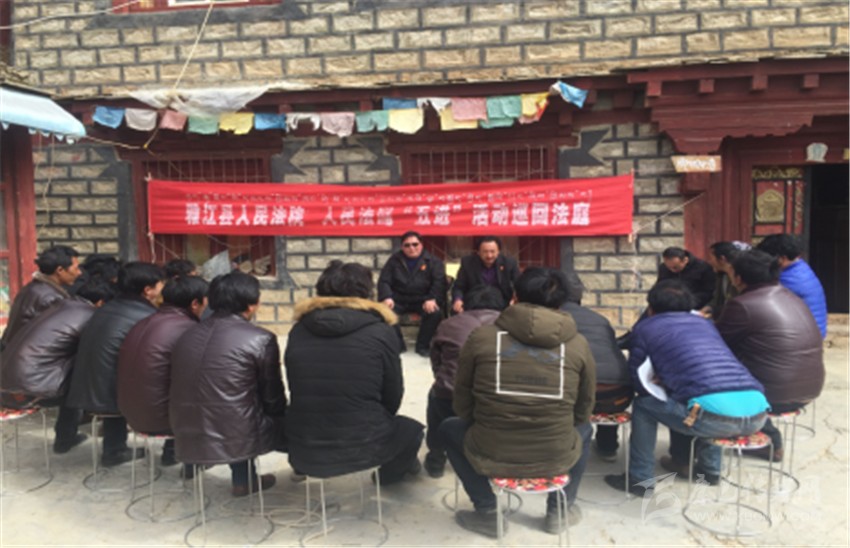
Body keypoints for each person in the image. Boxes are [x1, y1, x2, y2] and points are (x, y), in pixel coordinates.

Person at [440, 267, 596, 538]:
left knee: (449, 428)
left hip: (490, 450)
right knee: (585, 429)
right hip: (555, 454)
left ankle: (487, 511)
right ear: (561, 303)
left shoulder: (481, 337)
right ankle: (559, 511)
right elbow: (584, 409)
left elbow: (462, 402)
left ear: (514, 297)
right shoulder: (579, 344)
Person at [603, 280, 768, 496]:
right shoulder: (706, 324)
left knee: (644, 405)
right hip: (758, 414)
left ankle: (639, 479)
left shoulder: (646, 328)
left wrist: (664, 384)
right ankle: (710, 471)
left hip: (712, 419)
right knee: (708, 396)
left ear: (650, 308)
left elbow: (638, 379)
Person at [284, 261, 424, 484]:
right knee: (411, 431)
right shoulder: (381, 331)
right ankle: (387, 478)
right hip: (365, 445)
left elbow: (295, 385)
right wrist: (377, 419)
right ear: (366, 291)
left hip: (304, 443)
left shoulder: (299, 330)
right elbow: (393, 392)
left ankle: (304, 466)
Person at [170, 272, 286, 497]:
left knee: (228, 404)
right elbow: (272, 396)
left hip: (186, 428)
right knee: (250, 410)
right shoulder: (260, 339)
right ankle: (247, 480)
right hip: (238, 434)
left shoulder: (187, 335)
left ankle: (202, 469)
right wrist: (281, 418)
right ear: (251, 305)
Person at [716, 249, 824, 461]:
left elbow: (717, 343)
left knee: (710, 368)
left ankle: (705, 449)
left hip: (776, 395)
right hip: (811, 387)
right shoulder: (792, 296)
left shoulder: (742, 304)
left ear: (738, 278)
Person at [66, 262, 166, 466]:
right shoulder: (145, 316)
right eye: (160, 285)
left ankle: (114, 448)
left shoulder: (109, 307)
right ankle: (171, 452)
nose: (162, 289)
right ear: (148, 290)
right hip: (109, 392)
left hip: (87, 386)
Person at [0, 278, 114, 454]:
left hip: (8, 380)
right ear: (100, 302)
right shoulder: (90, 315)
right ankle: (71, 438)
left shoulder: (61, 306)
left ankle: (67, 436)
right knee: (83, 384)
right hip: (30, 390)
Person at [117, 276, 208, 468]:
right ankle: (192, 464)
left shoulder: (143, 321)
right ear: (195, 303)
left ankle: (173, 454)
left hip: (129, 414)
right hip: (160, 420)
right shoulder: (190, 330)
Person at [424, 285, 502, 478]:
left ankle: (436, 458)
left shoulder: (449, 324)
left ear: (466, 304)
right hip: (497, 398)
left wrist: (444, 378)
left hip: (451, 394)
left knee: (436, 396)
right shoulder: (510, 326)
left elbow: (436, 359)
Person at [560, 272, 631, 462]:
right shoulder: (599, 319)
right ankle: (608, 448)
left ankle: (567, 450)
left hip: (578, 397)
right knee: (604, 383)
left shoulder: (555, 319)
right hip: (619, 394)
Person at [378, 231, 446, 356]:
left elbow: (439, 283)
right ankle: (398, 345)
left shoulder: (433, 261)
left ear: (421, 245)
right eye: (407, 245)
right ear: (402, 247)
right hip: (399, 299)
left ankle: (423, 346)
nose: (412, 248)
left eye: (415, 244)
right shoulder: (394, 260)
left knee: (434, 313)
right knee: (384, 311)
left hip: (423, 299)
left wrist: (432, 298)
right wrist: (387, 296)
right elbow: (384, 281)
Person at [1, 245, 81, 350]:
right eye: (76, 268)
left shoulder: (31, 288)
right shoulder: (51, 299)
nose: (79, 273)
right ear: (60, 270)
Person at [756, 234, 828, 338]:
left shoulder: (790, 279)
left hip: (804, 337)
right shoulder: (801, 268)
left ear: (782, 258)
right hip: (813, 333)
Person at [451, 236, 520, 313]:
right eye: (485, 252)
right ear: (478, 252)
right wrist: (458, 300)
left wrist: (515, 299)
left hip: (502, 304)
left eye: (492, 251)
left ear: (498, 251)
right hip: (474, 303)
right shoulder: (468, 263)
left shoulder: (509, 263)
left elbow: (519, 285)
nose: (489, 256)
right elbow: (459, 286)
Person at [701, 241, 749, 319]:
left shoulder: (739, 276)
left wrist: (714, 314)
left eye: (711, 258)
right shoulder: (721, 275)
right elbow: (717, 298)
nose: (710, 261)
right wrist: (709, 307)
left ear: (722, 259)